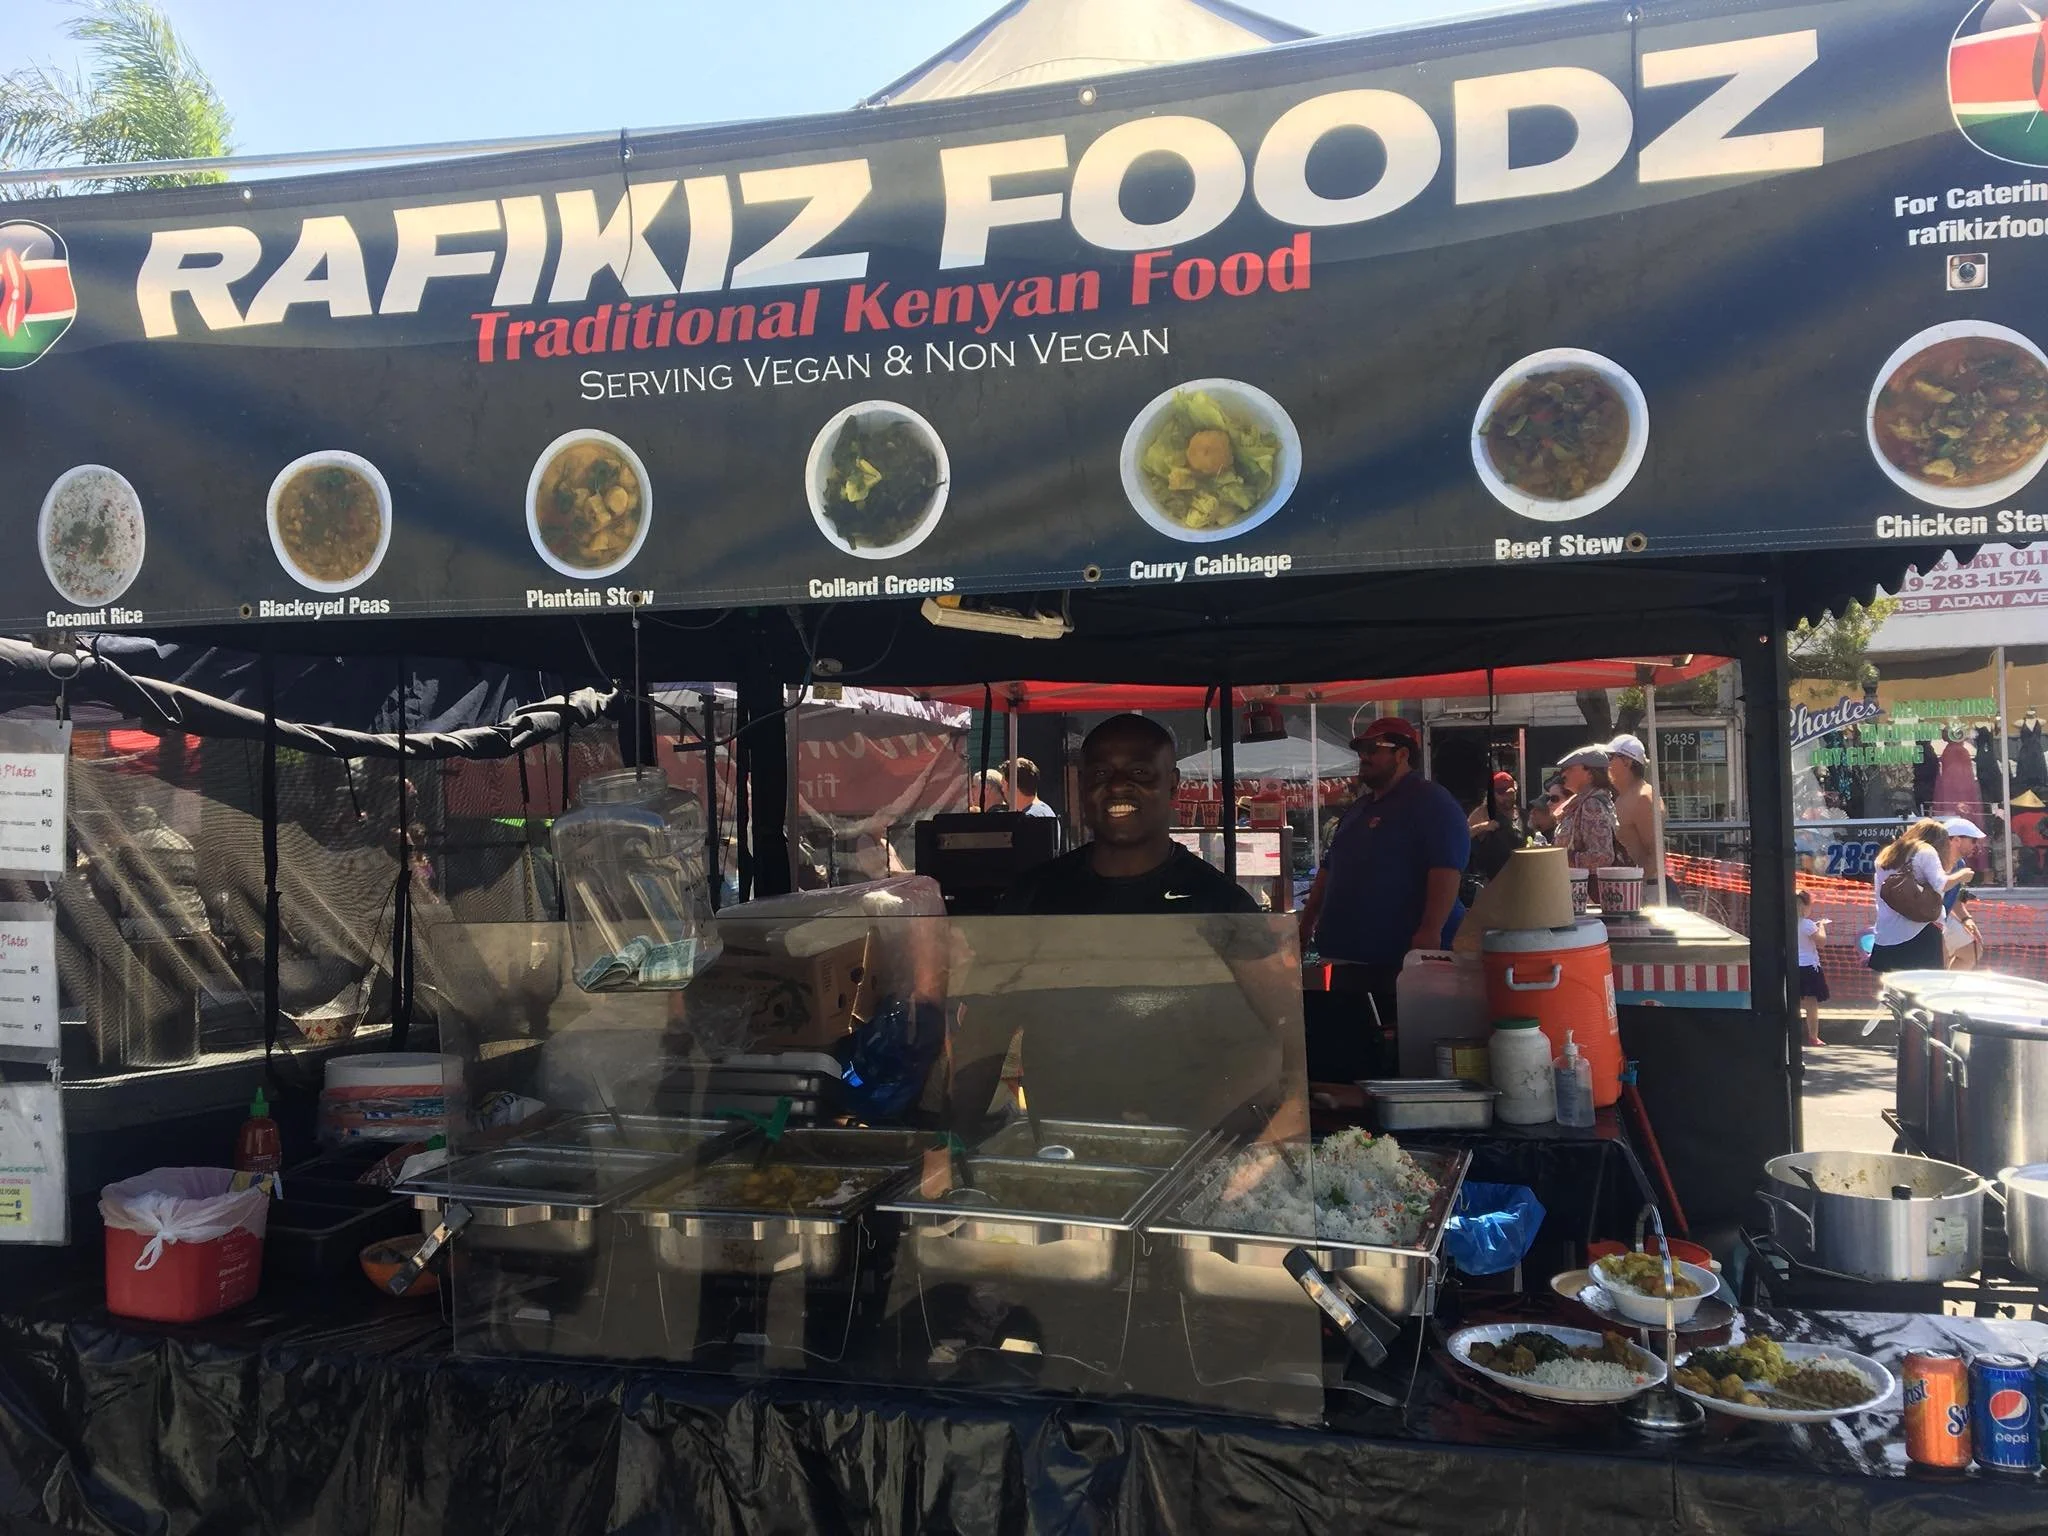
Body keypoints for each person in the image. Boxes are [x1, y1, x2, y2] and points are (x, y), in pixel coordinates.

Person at [1298, 717, 1471, 1041]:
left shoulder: (1431, 801)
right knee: (1354, 1047)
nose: (1364, 756)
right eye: (1362, 749)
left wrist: (1430, 930)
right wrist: (1306, 923)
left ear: (1403, 754)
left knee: (1404, 1049)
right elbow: (1329, 867)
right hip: (1350, 959)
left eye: (1373, 748)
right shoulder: (1359, 809)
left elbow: (1447, 868)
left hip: (1405, 962)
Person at [999, 715, 1255, 916]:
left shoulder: (1224, 905)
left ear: (1173, 785)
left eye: (1140, 772)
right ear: (1082, 785)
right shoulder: (1032, 898)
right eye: (1101, 773)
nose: (1118, 785)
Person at [1868, 818, 1954, 974]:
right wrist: (1962, 876)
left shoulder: (1887, 855)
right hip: (1919, 933)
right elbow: (1941, 883)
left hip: (1886, 933)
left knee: (1891, 989)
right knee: (1922, 987)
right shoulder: (1927, 852)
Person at [1553, 745, 1620, 870]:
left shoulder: (1592, 805)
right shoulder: (1580, 802)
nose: (1564, 773)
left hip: (1587, 886)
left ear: (1589, 773)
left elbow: (1602, 856)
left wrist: (1558, 858)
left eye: (1570, 769)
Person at [1606, 734, 1664, 872]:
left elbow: (1656, 856)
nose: (1607, 763)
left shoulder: (1644, 798)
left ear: (1627, 761)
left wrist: (1636, 888)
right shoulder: (1625, 796)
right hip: (1626, 887)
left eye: (1610, 757)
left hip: (1642, 889)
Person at [1941, 815, 1986, 969]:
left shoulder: (1960, 864)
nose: (1976, 845)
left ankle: (1948, 987)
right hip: (1927, 923)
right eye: (1973, 840)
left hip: (1944, 919)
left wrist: (1966, 919)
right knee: (1939, 962)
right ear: (1956, 840)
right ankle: (1939, 989)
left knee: (1973, 950)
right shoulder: (1933, 861)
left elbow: (1954, 898)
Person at [1467, 771, 1526, 882]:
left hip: (1520, 876)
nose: (1507, 797)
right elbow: (1462, 835)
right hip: (1493, 880)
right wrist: (1483, 827)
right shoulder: (1483, 812)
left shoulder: (1523, 814)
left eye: (1510, 793)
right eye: (1502, 794)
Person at [1796, 889, 1829, 1048]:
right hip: (1808, 968)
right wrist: (1821, 926)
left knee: (1791, 1002)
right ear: (1805, 906)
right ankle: (1813, 1036)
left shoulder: (1786, 922)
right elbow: (1821, 941)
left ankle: (1792, 1035)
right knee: (1811, 1005)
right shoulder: (1807, 924)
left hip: (1792, 966)